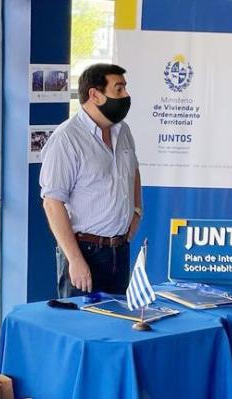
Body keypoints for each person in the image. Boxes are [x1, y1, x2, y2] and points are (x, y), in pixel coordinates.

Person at [39, 63, 142, 298]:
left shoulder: (122, 130)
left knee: (117, 325)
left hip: (119, 250)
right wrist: (75, 260)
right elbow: (52, 202)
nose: (126, 96)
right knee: (82, 326)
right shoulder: (66, 139)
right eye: (119, 89)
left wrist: (137, 209)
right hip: (84, 252)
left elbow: (133, 169)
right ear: (94, 95)